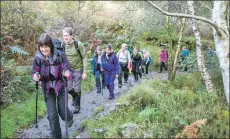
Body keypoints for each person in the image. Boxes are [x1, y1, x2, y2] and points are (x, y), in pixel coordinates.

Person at [32, 33, 73, 138]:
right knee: (52, 115)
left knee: (63, 112)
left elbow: (68, 69)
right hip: (47, 88)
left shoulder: (60, 55)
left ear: (50, 46)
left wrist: (67, 74)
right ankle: (57, 136)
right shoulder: (38, 58)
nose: (43, 49)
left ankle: (70, 117)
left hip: (60, 86)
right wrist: (35, 76)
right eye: (41, 47)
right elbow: (34, 71)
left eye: (46, 46)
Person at [62, 27, 88, 114]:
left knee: (77, 89)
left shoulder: (78, 44)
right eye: (64, 35)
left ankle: (77, 106)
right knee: (68, 88)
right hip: (68, 71)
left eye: (67, 35)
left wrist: (84, 72)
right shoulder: (63, 45)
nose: (65, 37)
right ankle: (74, 97)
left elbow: (84, 57)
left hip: (78, 69)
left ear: (71, 36)